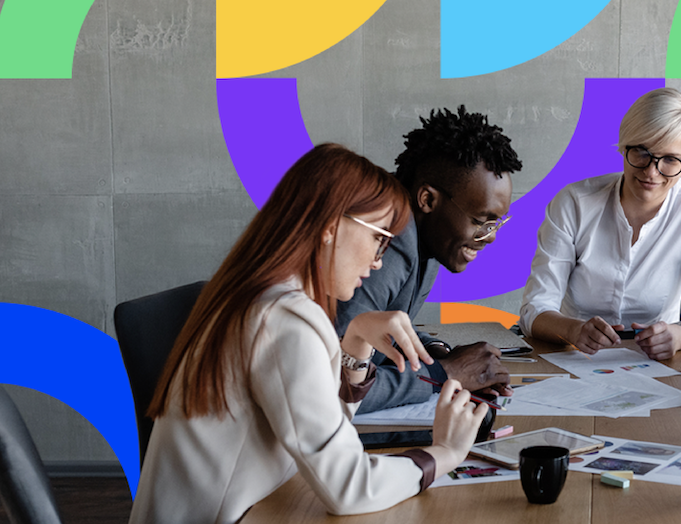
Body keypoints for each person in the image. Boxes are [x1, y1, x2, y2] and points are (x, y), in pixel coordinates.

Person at [131, 144, 488, 523]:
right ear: (331, 227)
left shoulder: (261, 296)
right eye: (379, 238)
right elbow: (347, 487)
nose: (379, 259)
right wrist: (444, 453)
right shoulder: (284, 320)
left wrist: (355, 342)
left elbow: (325, 432)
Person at [520, 87, 681, 360]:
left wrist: (679, 336)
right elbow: (533, 310)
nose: (651, 172)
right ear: (623, 146)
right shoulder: (574, 202)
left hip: (657, 365)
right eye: (641, 152)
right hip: (574, 358)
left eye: (670, 160)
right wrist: (573, 330)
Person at [337, 105, 523, 413]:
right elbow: (341, 382)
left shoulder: (428, 233)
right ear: (428, 200)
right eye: (480, 220)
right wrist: (445, 373)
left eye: (496, 223)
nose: (490, 236)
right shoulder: (386, 240)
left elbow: (379, 328)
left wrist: (436, 353)